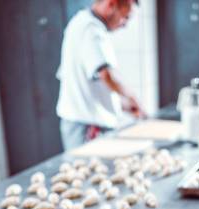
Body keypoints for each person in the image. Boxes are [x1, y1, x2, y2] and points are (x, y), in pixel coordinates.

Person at [56, 0, 145, 151]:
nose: (124, 24)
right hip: (87, 126)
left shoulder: (82, 23)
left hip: (82, 122)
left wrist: (122, 105)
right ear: (111, 4)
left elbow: (89, 82)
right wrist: (133, 99)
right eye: (125, 17)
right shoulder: (90, 29)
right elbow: (107, 75)